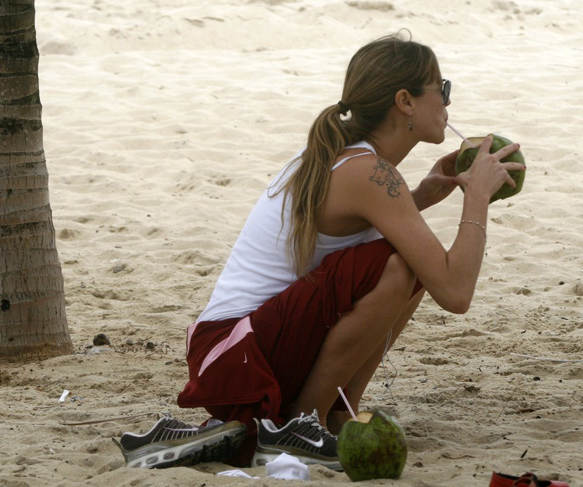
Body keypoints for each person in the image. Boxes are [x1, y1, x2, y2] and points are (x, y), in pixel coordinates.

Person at [113, 30, 524, 470]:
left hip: (235, 349)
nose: (447, 103)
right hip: (239, 355)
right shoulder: (368, 173)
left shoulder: (348, 159)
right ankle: (299, 423)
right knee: (402, 265)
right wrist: (477, 196)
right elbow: (456, 293)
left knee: (405, 260)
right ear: (405, 101)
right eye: (442, 89)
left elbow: (339, 240)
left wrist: (420, 196)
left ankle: (332, 412)